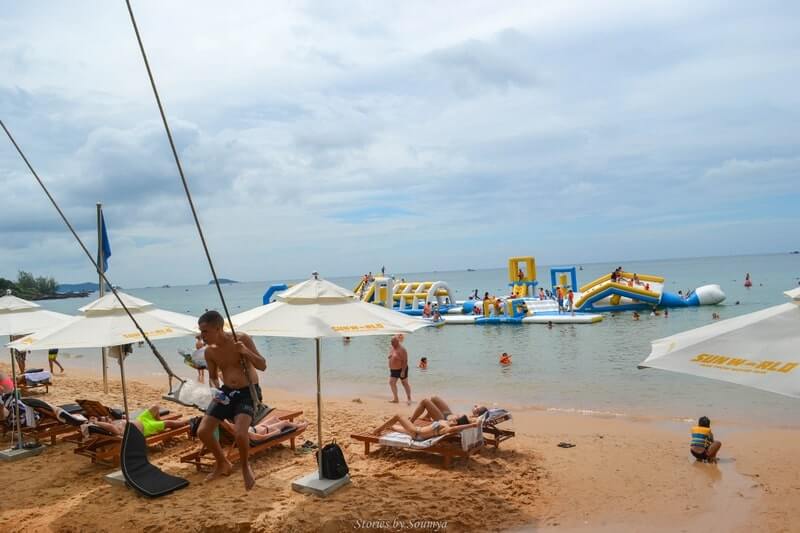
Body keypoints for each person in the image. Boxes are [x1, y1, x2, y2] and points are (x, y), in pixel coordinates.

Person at [196, 310, 267, 491]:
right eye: (200, 331)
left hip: (247, 391)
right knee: (203, 431)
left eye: (205, 332)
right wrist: (215, 390)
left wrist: (245, 352)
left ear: (218, 328)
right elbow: (213, 377)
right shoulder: (209, 352)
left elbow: (262, 365)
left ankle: (245, 467)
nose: (201, 336)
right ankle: (223, 463)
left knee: (240, 434)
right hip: (226, 392)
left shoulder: (241, 339)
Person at [87, 404, 193, 437]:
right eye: (105, 419)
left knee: (155, 407)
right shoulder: (114, 428)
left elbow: (111, 419)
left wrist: (121, 419)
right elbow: (111, 428)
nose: (107, 418)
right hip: (145, 428)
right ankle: (188, 421)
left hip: (140, 419)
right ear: (104, 424)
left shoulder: (114, 422)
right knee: (170, 423)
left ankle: (158, 423)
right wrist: (96, 422)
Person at [373, 413, 477, 441]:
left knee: (398, 416)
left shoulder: (447, 428)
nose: (454, 416)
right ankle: (386, 426)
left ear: (455, 422)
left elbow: (456, 428)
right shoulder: (446, 424)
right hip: (417, 434)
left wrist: (471, 425)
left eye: (456, 417)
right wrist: (473, 421)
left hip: (417, 432)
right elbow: (457, 425)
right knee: (394, 427)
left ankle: (377, 430)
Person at [222, 415, 308, 442]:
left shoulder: (232, 427)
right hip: (264, 431)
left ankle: (289, 425)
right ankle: (301, 426)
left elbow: (226, 423)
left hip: (257, 428)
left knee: (274, 418)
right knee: (285, 422)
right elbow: (258, 437)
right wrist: (275, 433)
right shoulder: (241, 431)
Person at [408, 396, 487, 423]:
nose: (475, 406)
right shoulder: (473, 417)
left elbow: (456, 424)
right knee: (434, 398)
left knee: (424, 401)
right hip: (449, 415)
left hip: (444, 421)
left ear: (477, 414)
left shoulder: (474, 420)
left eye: (476, 407)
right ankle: (427, 417)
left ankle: (411, 422)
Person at [388, 335, 411, 404]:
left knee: (404, 383)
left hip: (401, 369)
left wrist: (403, 371)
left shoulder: (402, 349)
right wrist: (390, 356)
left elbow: (405, 361)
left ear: (397, 342)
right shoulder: (392, 347)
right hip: (393, 370)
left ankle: (409, 398)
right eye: (391, 342)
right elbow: (390, 355)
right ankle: (396, 399)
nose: (392, 343)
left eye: (393, 342)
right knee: (391, 382)